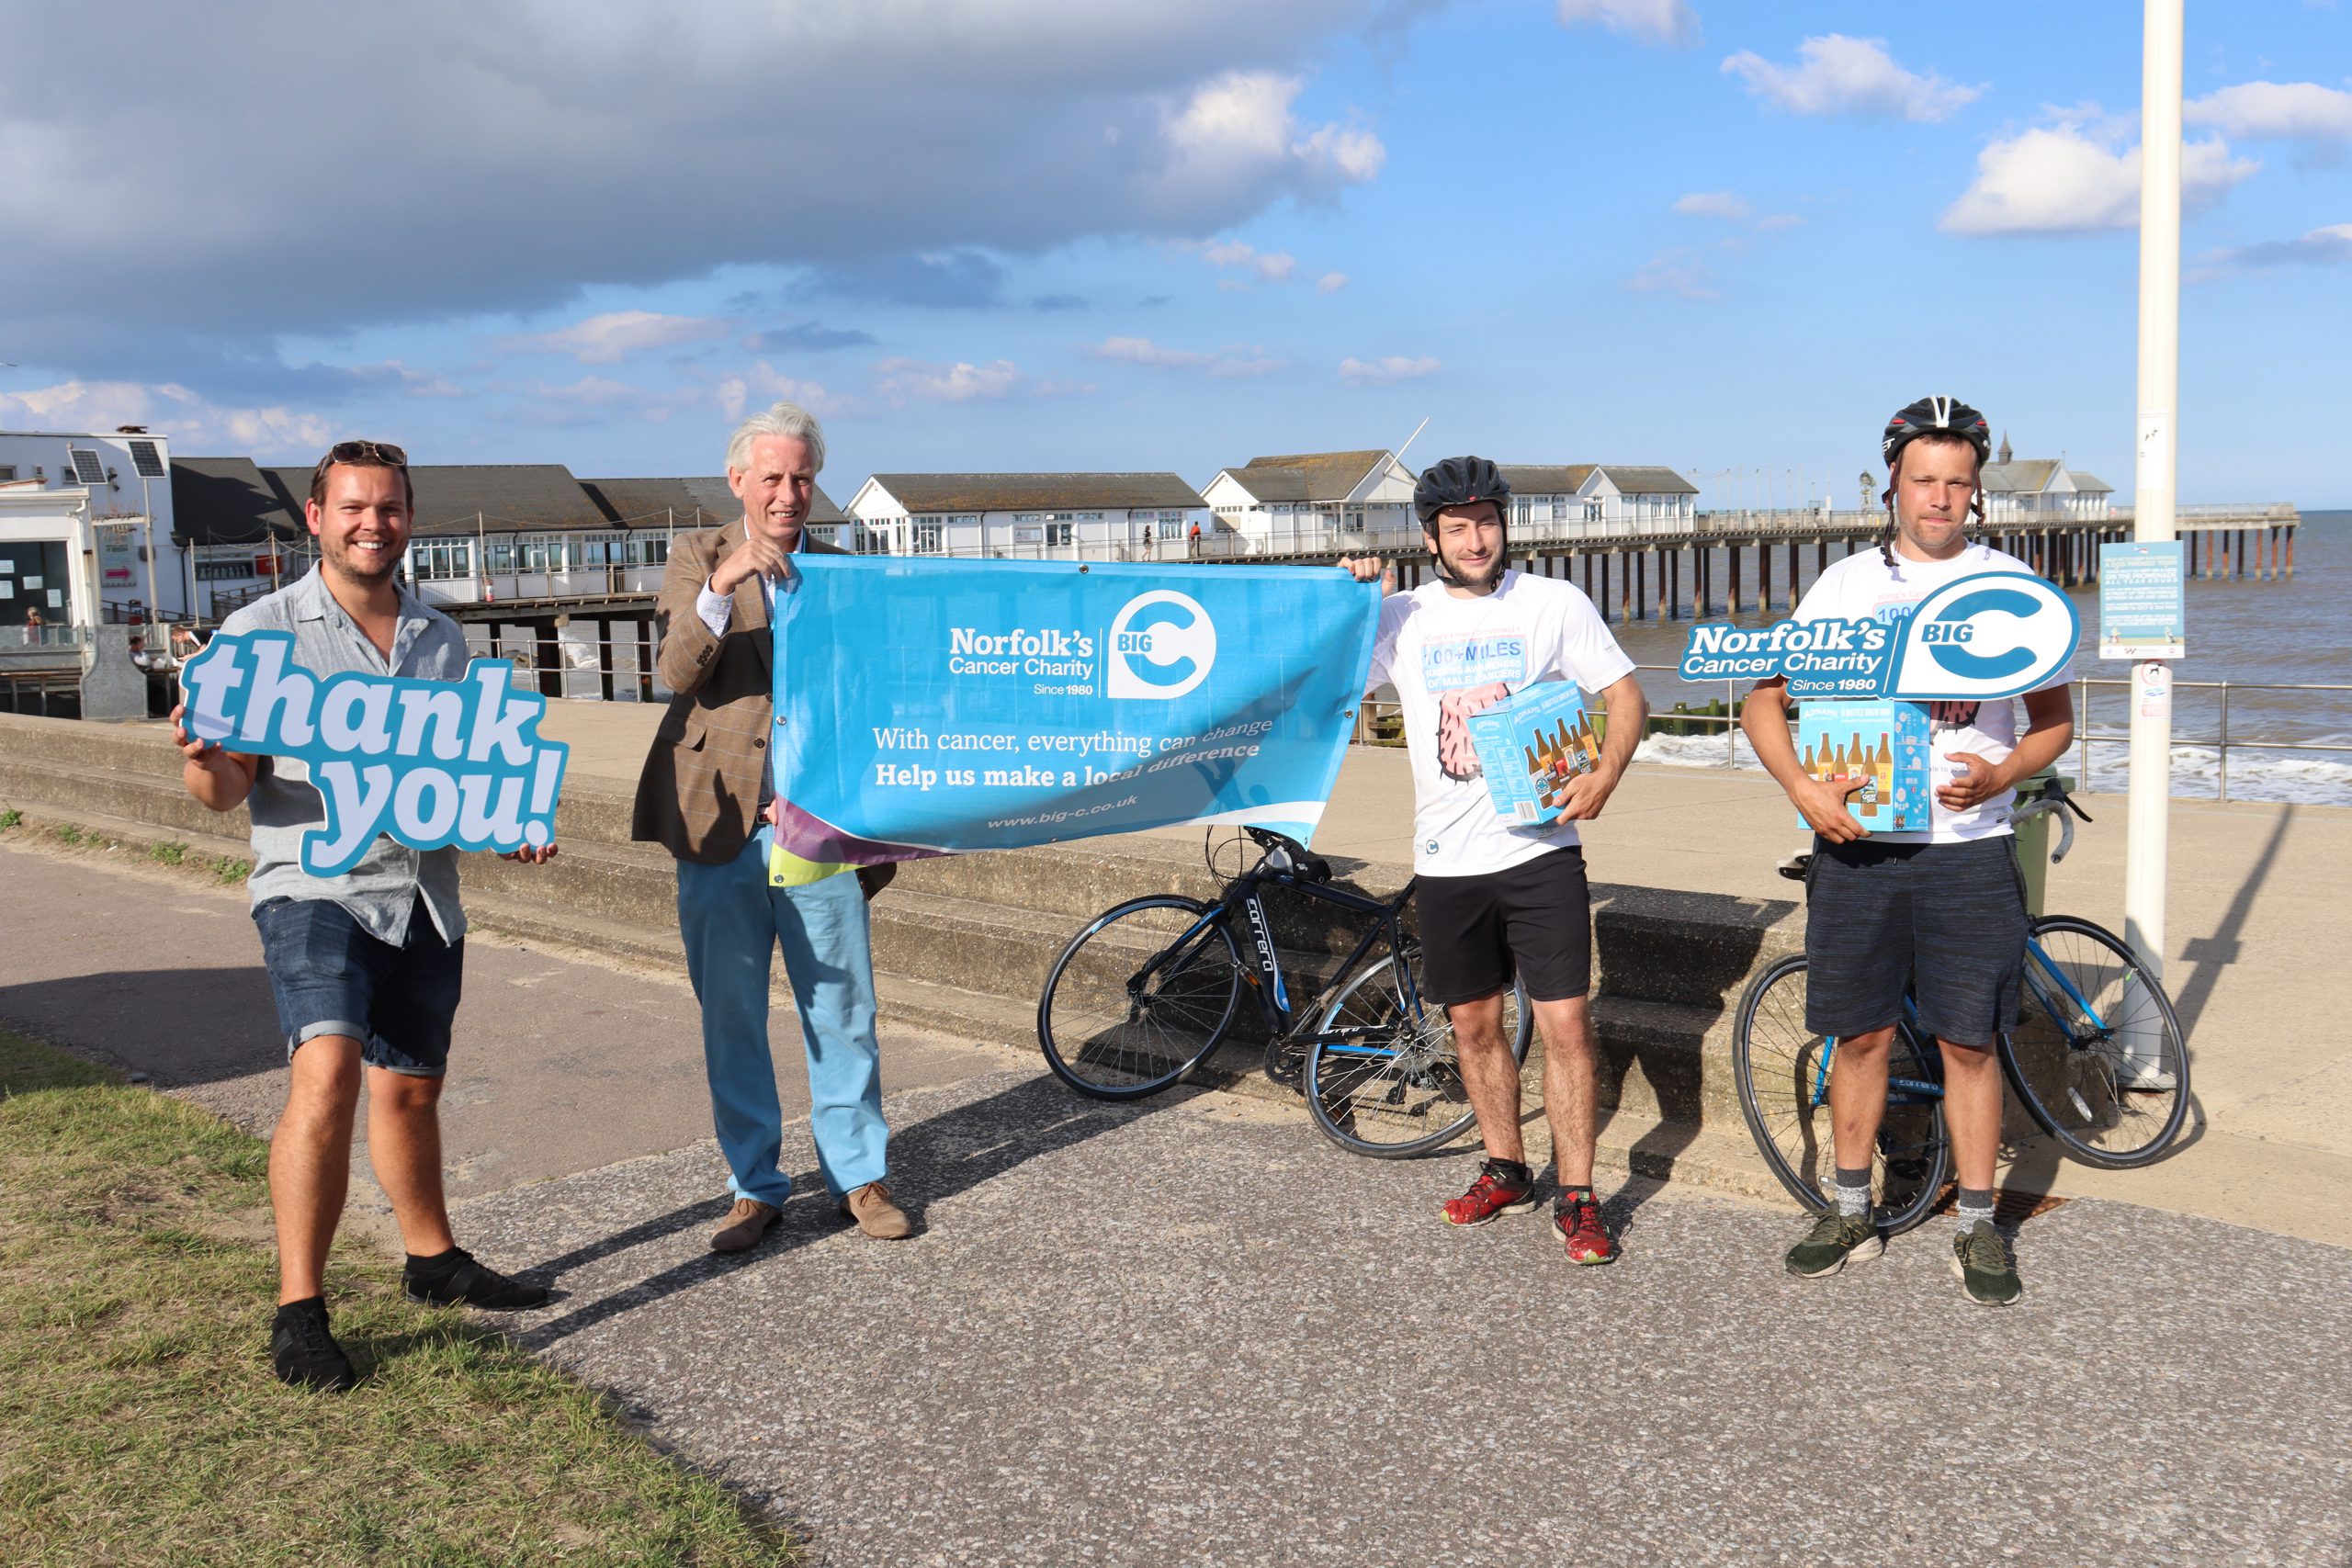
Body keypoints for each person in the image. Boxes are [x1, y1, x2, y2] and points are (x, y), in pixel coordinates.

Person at [171, 439, 559, 1393]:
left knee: (411, 1089)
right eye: (352, 507)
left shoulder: (440, 639)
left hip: (422, 891)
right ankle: (299, 1311)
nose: (370, 524)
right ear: (316, 517)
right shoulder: (258, 633)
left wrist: (508, 824)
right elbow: (223, 793)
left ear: (409, 519)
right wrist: (203, 756)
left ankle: (433, 1261)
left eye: (387, 507)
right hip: (314, 887)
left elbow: (457, 781)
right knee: (329, 1070)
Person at [1740, 397, 2076, 1307]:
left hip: (1969, 851)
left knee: (1970, 1041)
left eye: (1957, 482)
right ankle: (1850, 1208)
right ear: (1891, 483)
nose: (1939, 497)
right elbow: (1763, 700)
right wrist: (1802, 789)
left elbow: (2054, 722)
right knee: (1861, 1035)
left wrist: (2003, 771)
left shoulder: (2010, 583)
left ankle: (1978, 1222)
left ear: (1976, 490)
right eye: (1923, 479)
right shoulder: (1844, 586)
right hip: (1860, 849)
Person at [1338, 457, 1648, 1265]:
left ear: (1504, 525)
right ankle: (1506, 1166)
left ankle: (1577, 1196)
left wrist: (1604, 773)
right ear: (1430, 537)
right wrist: (1348, 600)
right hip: (1446, 860)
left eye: (1487, 523)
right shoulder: (1401, 615)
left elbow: (1625, 694)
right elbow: (1322, 685)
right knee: (1472, 1025)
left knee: (1566, 1026)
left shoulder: (1554, 602)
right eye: (1457, 528)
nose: (1475, 541)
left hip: (1541, 853)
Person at [632, 400, 907, 1254]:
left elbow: (878, 691)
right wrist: (723, 585)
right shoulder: (696, 557)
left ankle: (859, 1177)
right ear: (739, 480)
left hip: (817, 830)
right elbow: (674, 670)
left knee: (843, 1008)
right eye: (774, 478)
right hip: (719, 823)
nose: (789, 494)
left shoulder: (843, 573)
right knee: (732, 1015)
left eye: (803, 478)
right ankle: (754, 1186)